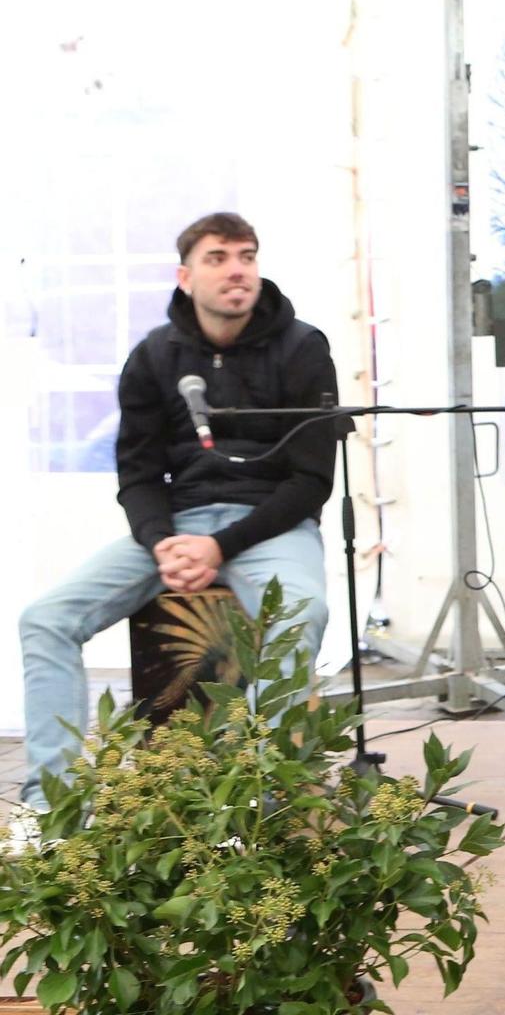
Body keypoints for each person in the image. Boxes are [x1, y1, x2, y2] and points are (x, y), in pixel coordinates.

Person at [17, 212, 339, 811]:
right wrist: (162, 540)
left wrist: (224, 546)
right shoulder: (154, 356)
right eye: (218, 258)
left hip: (272, 525)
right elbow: (137, 473)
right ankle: (52, 807)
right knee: (46, 618)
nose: (236, 270)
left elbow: (310, 479)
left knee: (302, 613)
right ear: (186, 276)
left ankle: (264, 802)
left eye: (246, 255)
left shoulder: (303, 347)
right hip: (180, 526)